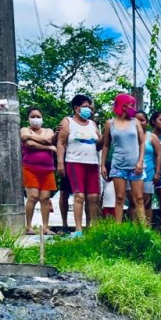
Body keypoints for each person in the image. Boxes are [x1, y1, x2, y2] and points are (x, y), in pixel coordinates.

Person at [57, 95, 103, 237]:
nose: (88, 109)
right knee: (79, 196)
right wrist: (60, 163)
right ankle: (78, 229)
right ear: (76, 108)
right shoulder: (67, 121)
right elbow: (61, 143)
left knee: (94, 197)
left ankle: (93, 228)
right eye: (85, 106)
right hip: (74, 162)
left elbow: (99, 145)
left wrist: (106, 136)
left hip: (92, 163)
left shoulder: (93, 124)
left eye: (90, 107)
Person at [101, 94, 146, 224]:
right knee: (119, 197)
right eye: (132, 105)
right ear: (124, 106)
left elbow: (141, 142)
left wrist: (140, 161)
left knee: (139, 198)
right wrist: (103, 165)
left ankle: (144, 230)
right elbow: (106, 145)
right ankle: (118, 228)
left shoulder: (135, 122)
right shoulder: (110, 123)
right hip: (118, 165)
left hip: (135, 166)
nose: (134, 108)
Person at [20, 107, 57, 235]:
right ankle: (28, 226)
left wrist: (34, 138)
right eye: (33, 116)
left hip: (47, 169)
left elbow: (48, 139)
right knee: (33, 196)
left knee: (45, 198)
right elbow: (29, 144)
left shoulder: (49, 130)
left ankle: (45, 227)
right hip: (30, 168)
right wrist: (49, 147)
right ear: (28, 118)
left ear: (42, 118)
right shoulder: (24, 130)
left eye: (38, 116)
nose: (36, 119)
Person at [133, 111, 161, 228]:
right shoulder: (131, 136)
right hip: (133, 174)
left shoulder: (152, 137)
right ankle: (134, 229)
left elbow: (159, 155)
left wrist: (157, 173)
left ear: (147, 121)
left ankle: (146, 229)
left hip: (149, 174)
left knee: (147, 203)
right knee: (134, 202)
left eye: (142, 120)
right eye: (137, 120)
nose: (140, 123)